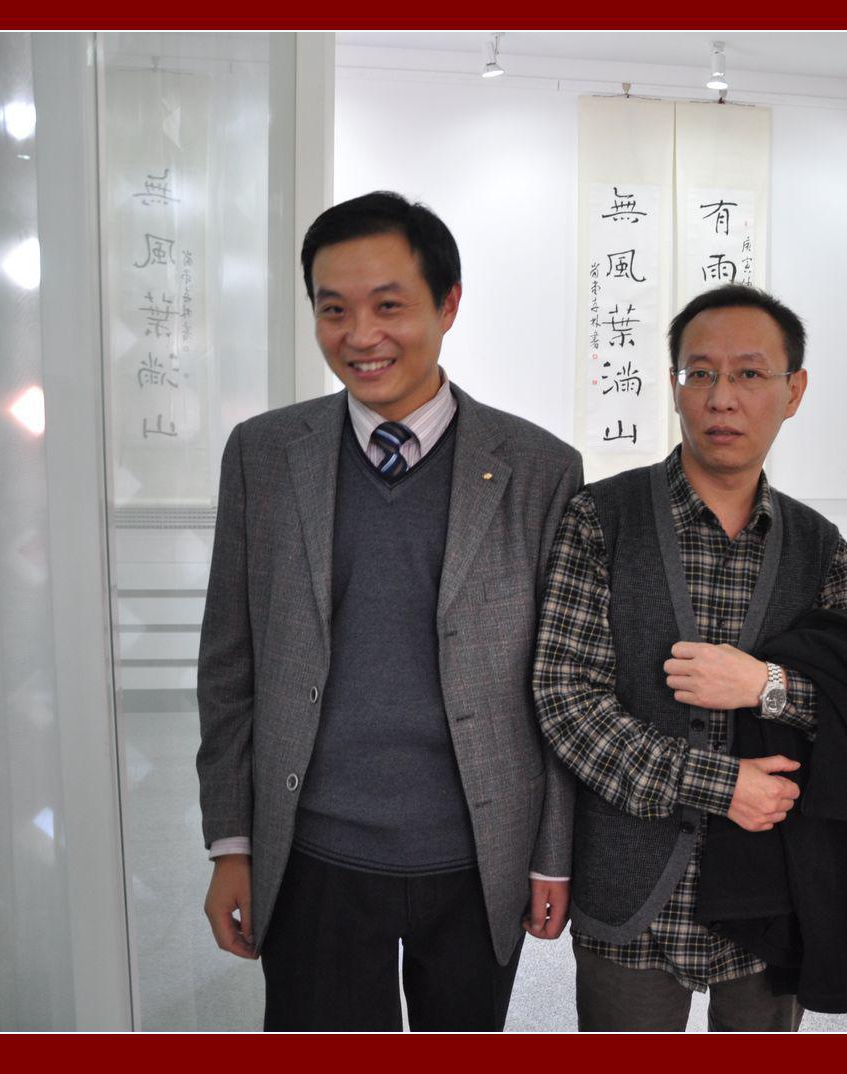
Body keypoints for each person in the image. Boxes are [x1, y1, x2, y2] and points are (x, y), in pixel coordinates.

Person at [196, 190, 581, 1031]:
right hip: (313, 849)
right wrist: (232, 843)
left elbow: (562, 682)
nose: (360, 335)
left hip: (476, 850)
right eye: (333, 309)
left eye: (389, 306)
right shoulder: (264, 453)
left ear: (448, 305)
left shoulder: (540, 467)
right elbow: (229, 660)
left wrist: (552, 856)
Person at [532, 284, 847, 1031]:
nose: (722, 398)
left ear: (793, 391)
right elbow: (565, 697)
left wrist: (768, 687)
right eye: (700, 374)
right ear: (675, 385)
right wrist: (720, 784)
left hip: (773, 891)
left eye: (749, 373)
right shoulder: (601, 518)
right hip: (631, 890)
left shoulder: (818, 548)